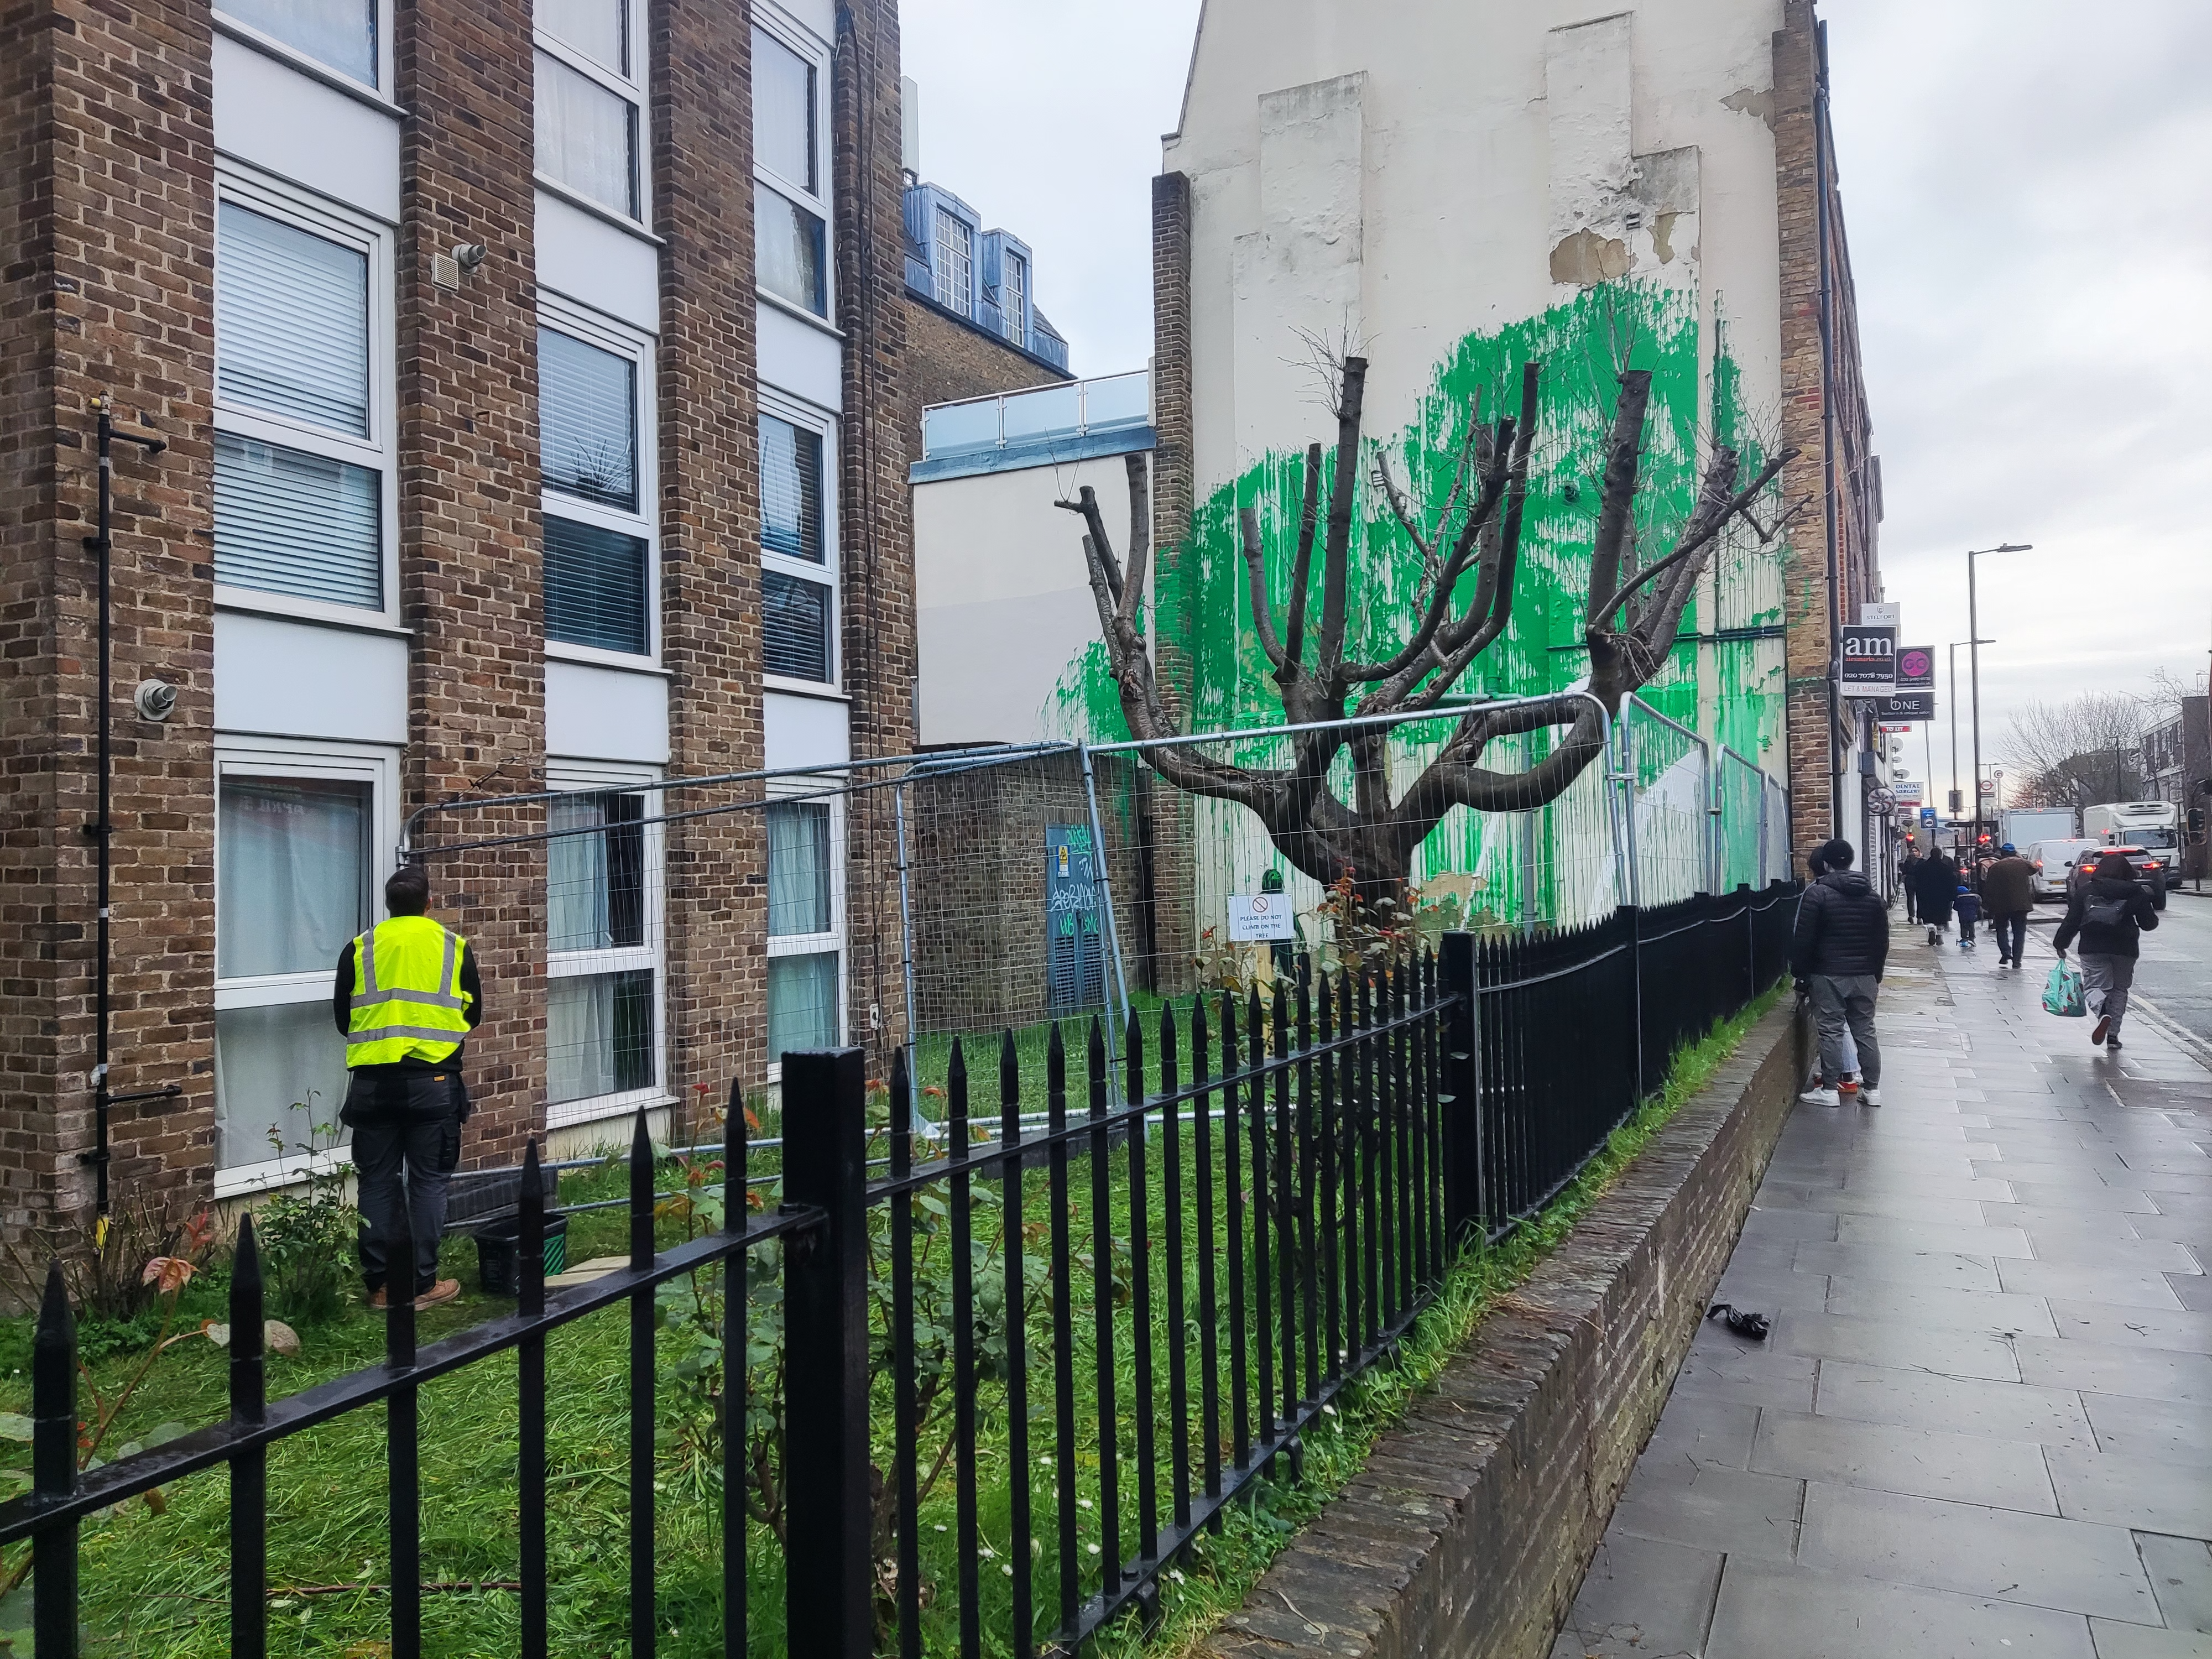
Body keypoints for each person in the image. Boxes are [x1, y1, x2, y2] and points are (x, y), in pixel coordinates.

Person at [333, 863, 482, 1308]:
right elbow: (473, 1015)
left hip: (373, 1085)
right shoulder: (454, 947)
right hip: (432, 1083)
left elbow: (344, 1020)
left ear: (388, 906)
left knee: (377, 1182)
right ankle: (421, 1284)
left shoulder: (359, 948)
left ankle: (382, 1286)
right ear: (429, 904)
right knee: (428, 1183)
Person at [1791, 837, 1887, 1108]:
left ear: (1825, 863)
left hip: (1828, 973)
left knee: (1831, 1030)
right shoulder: (1873, 897)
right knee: (1865, 1030)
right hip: (1866, 974)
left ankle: (1830, 1089)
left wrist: (1800, 974)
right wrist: (1875, 973)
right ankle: (1872, 1090)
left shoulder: (1818, 893)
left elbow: (1804, 938)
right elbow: (1882, 941)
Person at [2053, 851, 2159, 1048]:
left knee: (2095, 987)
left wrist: (2061, 944)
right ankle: (2113, 1036)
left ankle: (2103, 1014)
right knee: (2120, 990)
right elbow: (2148, 924)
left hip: (2092, 947)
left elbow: (2072, 921)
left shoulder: (2087, 891)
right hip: (2125, 948)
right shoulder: (2135, 892)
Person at [1981, 842, 2035, 967]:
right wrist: (2019, 857)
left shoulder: (1995, 867)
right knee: (2019, 932)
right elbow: (2035, 869)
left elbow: (1989, 888)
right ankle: (2017, 961)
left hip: (2001, 905)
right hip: (2021, 905)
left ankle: (2006, 953)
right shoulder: (2023, 864)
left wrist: (1987, 905)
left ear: (2002, 854)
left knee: (2001, 929)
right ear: (2014, 853)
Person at [1914, 847, 1959, 947]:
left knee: (1928, 916)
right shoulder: (1946, 868)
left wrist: (1920, 894)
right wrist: (1952, 896)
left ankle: (1931, 930)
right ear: (1940, 855)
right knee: (1941, 917)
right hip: (1942, 898)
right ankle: (1939, 935)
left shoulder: (1923, 867)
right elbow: (1952, 883)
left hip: (1927, 896)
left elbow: (1918, 881)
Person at [1953, 879, 1981, 951]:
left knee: (1964, 927)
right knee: (1971, 926)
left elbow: (1955, 908)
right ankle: (1972, 938)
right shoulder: (1974, 898)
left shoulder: (1959, 899)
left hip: (1963, 917)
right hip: (1972, 916)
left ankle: (1964, 938)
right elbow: (1978, 905)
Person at [1900, 846, 1922, 924]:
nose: (1914, 853)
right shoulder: (1908, 862)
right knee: (1911, 899)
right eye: (1912, 851)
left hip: (1919, 881)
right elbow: (1904, 871)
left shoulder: (1922, 861)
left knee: (1920, 900)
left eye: (1916, 851)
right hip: (1910, 881)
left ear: (1919, 852)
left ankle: (1919, 917)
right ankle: (1911, 916)